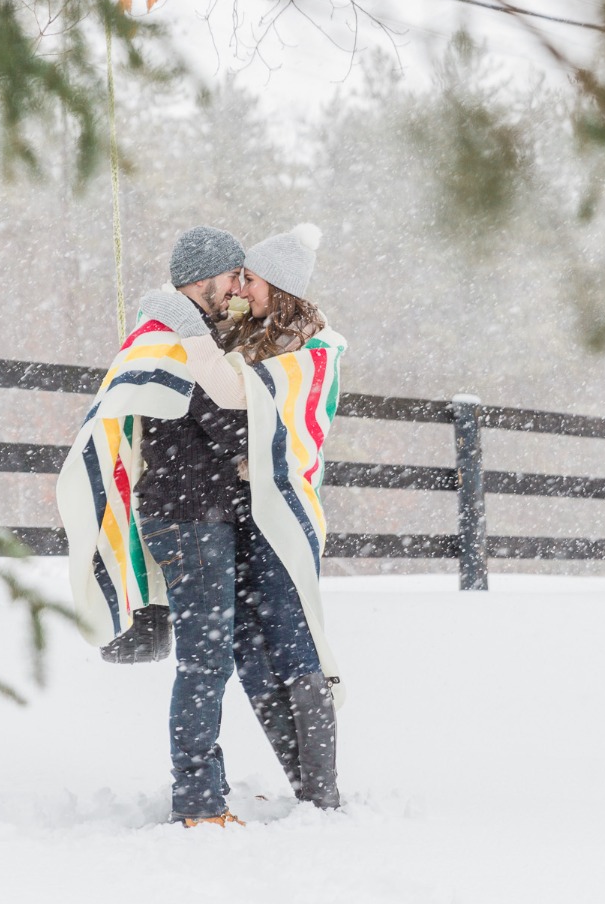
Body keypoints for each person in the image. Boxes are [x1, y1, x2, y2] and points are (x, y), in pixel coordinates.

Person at [146, 223, 343, 810]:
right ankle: (288, 790)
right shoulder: (238, 335)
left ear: (277, 287)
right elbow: (227, 412)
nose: (240, 289)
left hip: (271, 515)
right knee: (246, 651)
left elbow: (274, 422)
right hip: (223, 516)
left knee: (288, 641)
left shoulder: (306, 347)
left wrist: (258, 457)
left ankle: (319, 792)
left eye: (250, 279)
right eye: (237, 277)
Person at [60, 224, 249, 828]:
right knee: (205, 659)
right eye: (231, 277)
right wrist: (265, 437)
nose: (237, 288)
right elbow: (224, 425)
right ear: (203, 278)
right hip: (192, 517)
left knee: (209, 656)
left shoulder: (180, 336)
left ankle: (207, 787)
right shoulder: (178, 344)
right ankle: (197, 798)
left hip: (190, 512)